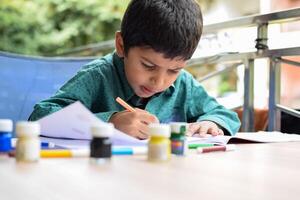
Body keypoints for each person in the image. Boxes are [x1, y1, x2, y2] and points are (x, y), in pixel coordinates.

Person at [29, 0, 240, 139]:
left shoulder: (183, 83)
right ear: (121, 46)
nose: (159, 82)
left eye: (173, 70)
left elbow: (224, 115)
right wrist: (109, 122)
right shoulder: (98, 76)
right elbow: (40, 116)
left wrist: (210, 122)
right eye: (148, 66)